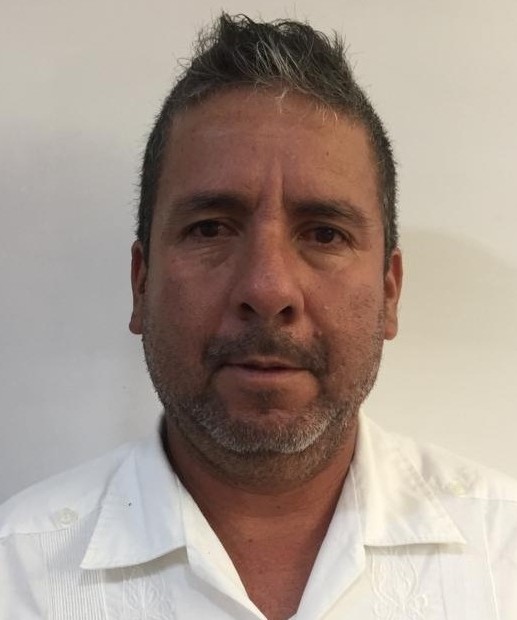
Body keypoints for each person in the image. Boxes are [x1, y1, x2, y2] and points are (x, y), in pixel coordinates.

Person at [1, 13, 516, 620]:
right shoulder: (17, 576)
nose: (267, 288)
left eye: (324, 233)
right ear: (141, 284)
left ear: (389, 292)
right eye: (210, 228)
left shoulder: (501, 555)